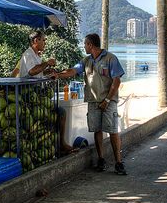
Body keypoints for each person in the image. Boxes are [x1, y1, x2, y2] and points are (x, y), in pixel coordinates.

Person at [54, 33, 127, 175]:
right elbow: (73, 70)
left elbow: (116, 81)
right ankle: (101, 160)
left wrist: (107, 100)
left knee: (112, 130)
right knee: (97, 130)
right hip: (93, 101)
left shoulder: (110, 58)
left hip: (109, 101)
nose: (84, 47)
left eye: (85, 44)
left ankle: (119, 162)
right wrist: (58, 74)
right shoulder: (86, 61)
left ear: (90, 45)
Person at [16, 31, 75, 154]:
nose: (45, 43)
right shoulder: (28, 54)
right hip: (28, 98)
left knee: (60, 113)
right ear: (36, 41)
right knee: (60, 112)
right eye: (44, 40)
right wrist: (47, 63)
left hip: (37, 96)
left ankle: (58, 144)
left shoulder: (36, 56)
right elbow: (32, 71)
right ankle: (60, 144)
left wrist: (49, 72)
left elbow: (38, 72)